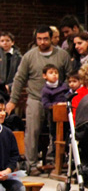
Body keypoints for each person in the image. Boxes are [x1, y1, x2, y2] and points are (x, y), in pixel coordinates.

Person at [6, 26, 72, 175]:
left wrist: (65, 95)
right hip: (36, 97)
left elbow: (70, 76)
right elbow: (19, 78)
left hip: (57, 99)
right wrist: (13, 100)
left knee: (56, 132)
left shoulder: (62, 55)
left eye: (45, 39)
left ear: (51, 38)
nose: (42, 42)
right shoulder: (29, 56)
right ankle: (32, 164)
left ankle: (52, 161)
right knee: (33, 130)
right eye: (39, 39)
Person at [0, 100, 25, 191]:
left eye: (3, 110)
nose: (2, 113)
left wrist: (8, 170)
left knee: (20, 188)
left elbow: (14, 155)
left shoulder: (7, 133)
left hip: (5, 174)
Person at [40, 64, 69, 161]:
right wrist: (56, 105)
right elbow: (46, 104)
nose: (54, 75)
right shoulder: (45, 90)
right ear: (44, 76)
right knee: (56, 136)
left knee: (67, 134)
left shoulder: (64, 86)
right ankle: (56, 157)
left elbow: (69, 95)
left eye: (56, 73)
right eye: (51, 73)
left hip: (66, 115)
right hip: (54, 117)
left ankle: (67, 155)